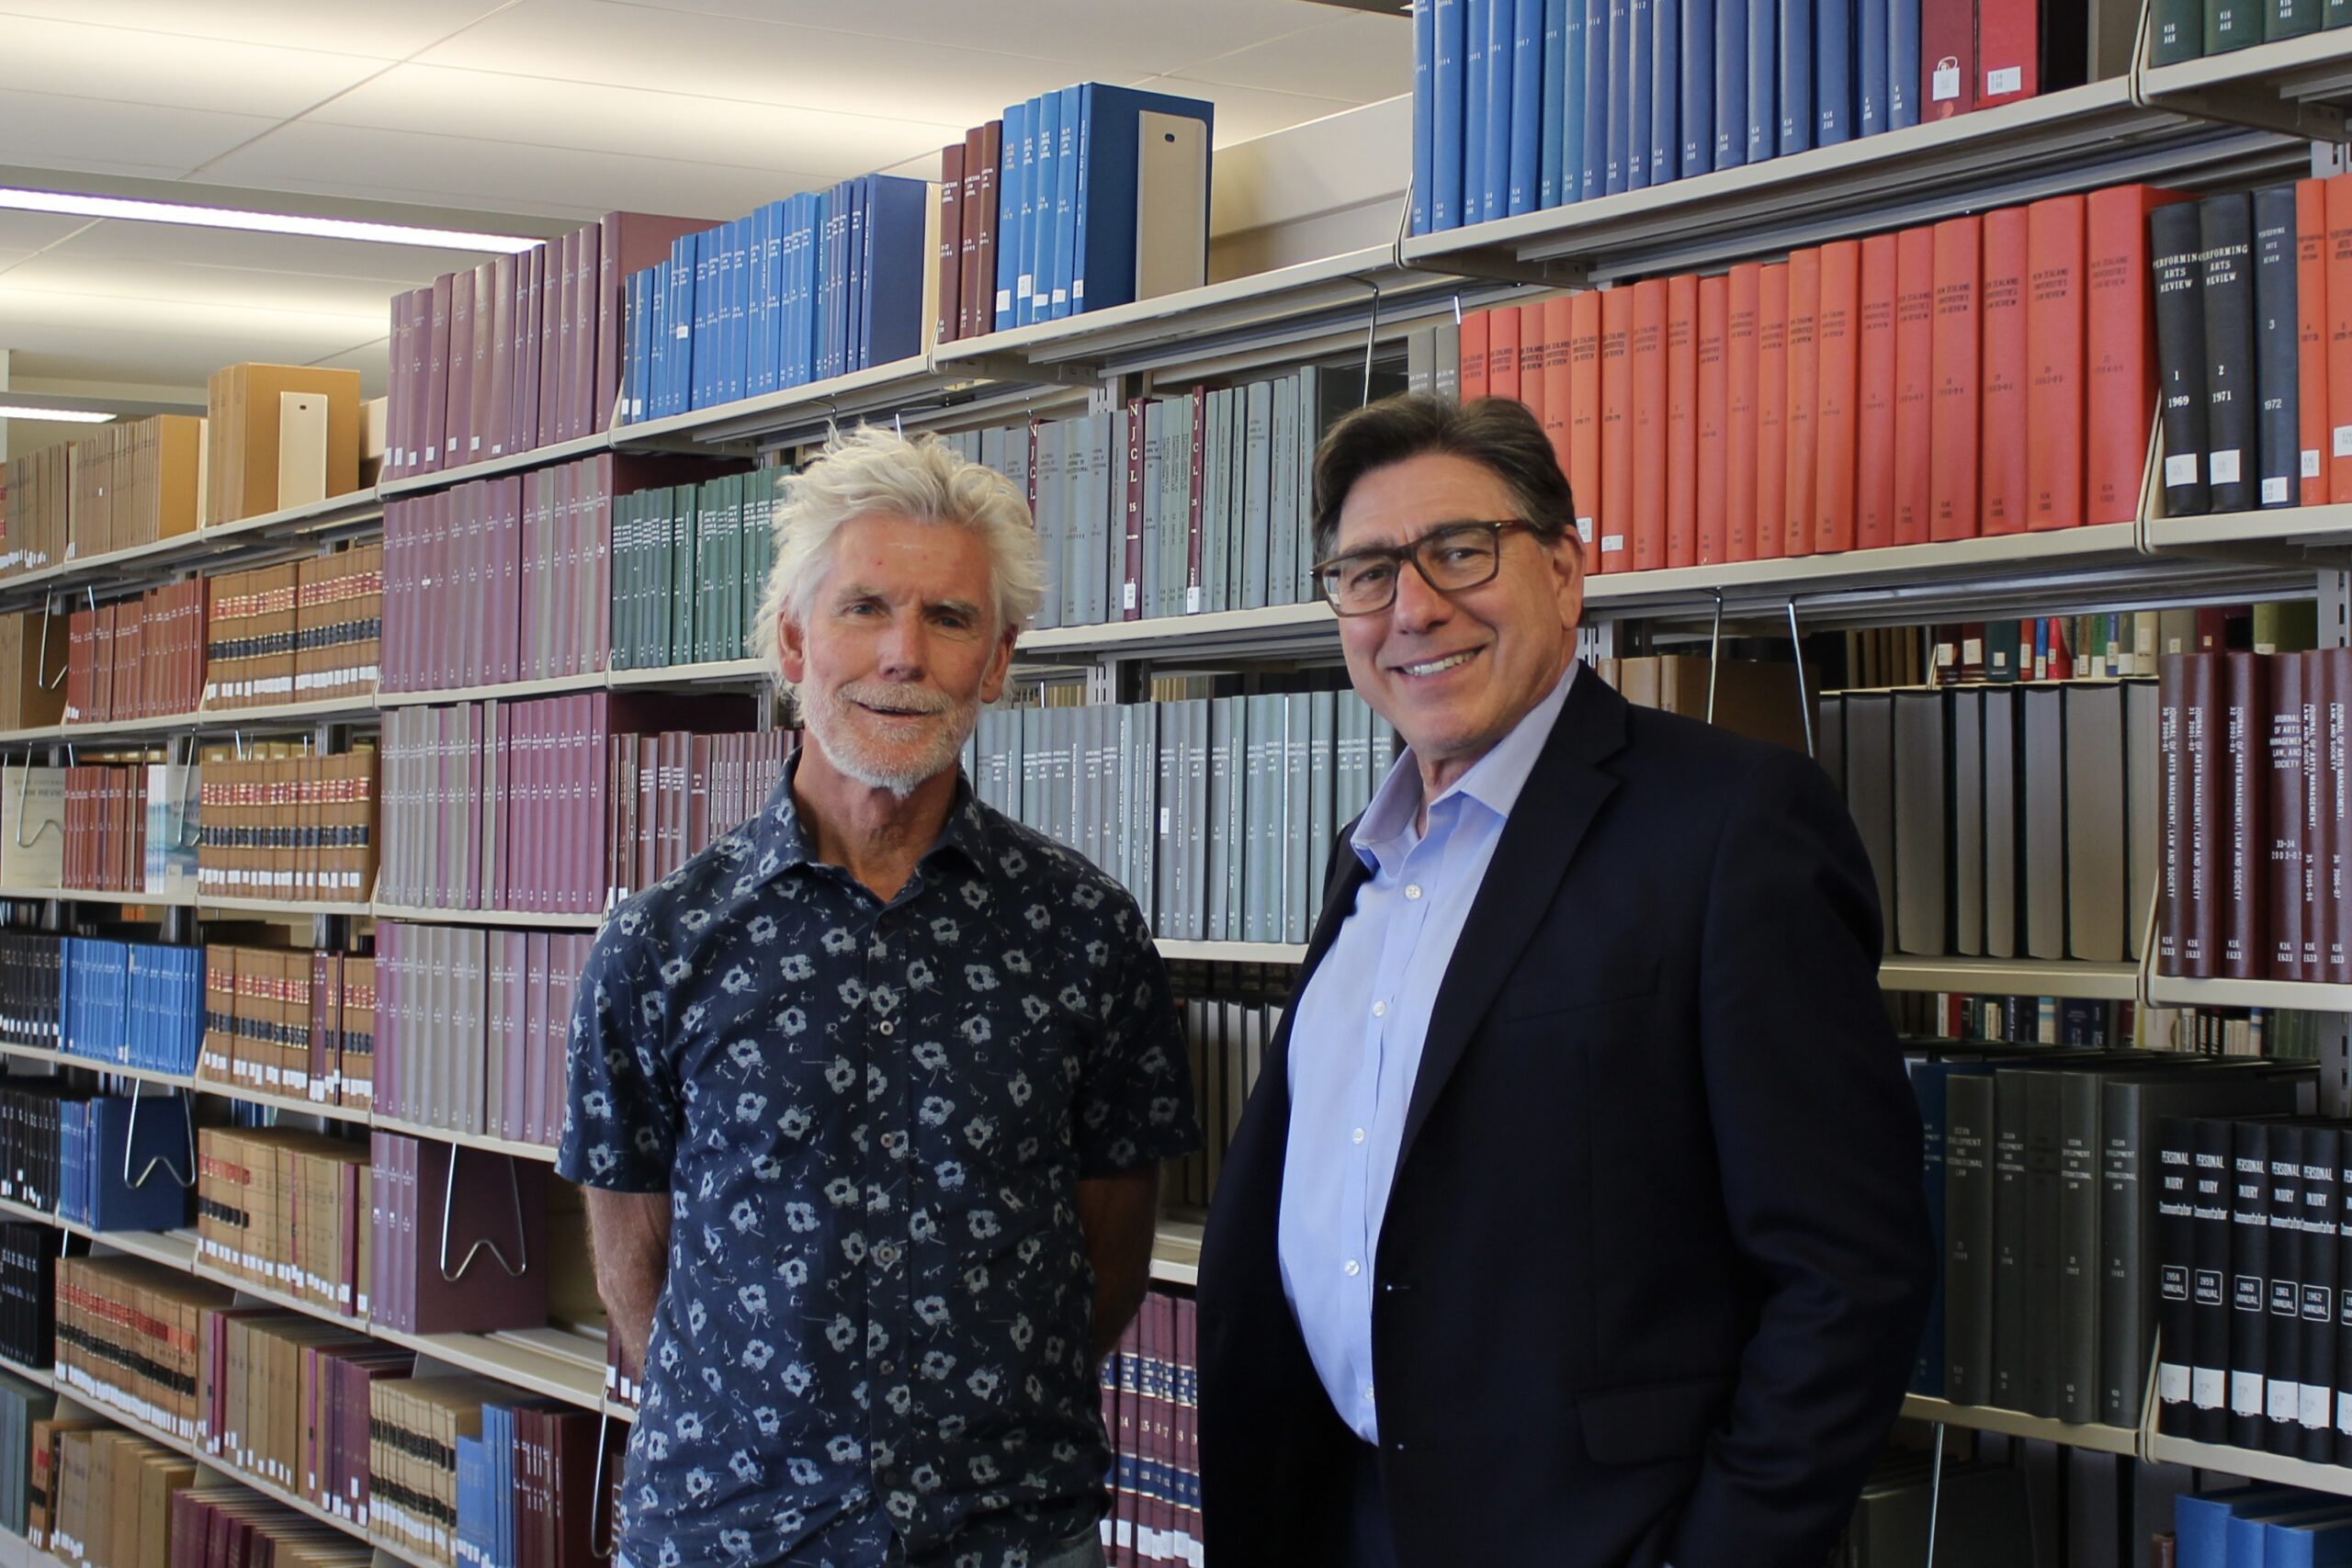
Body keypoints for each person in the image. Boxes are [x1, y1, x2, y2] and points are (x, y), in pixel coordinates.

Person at [1195, 394, 1935, 1568]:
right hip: (1342, 1516)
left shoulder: (1732, 825)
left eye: (1459, 552)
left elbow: (1848, 1276)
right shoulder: (1367, 858)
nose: (1414, 608)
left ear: (1562, 572)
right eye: (1369, 571)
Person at [559, 427, 1197, 1568]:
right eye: (864, 609)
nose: (903, 653)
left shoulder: (1085, 935)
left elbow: (1105, 1261)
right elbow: (633, 1265)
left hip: (1011, 1537)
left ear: (997, 661)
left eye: (950, 619)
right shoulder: (660, 945)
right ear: (796, 643)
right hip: (729, 1533)